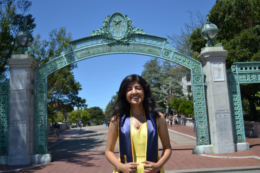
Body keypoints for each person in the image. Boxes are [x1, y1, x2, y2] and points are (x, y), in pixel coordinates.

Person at [105, 74, 171, 173]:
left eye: (138, 88)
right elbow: (108, 151)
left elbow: (167, 148)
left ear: (144, 91)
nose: (134, 92)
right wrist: (121, 166)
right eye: (129, 89)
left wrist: (158, 165)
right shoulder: (117, 119)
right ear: (124, 94)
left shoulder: (158, 117)